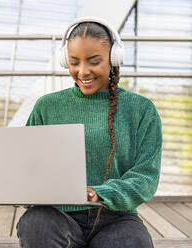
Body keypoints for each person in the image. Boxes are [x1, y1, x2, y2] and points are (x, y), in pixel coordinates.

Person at [16, 16, 162, 248]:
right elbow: (27, 166)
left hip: (116, 217)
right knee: (35, 223)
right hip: (58, 216)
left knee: (133, 241)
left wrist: (99, 193)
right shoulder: (46, 106)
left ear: (113, 59)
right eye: (74, 62)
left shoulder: (141, 110)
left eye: (93, 61)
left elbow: (146, 177)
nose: (82, 71)